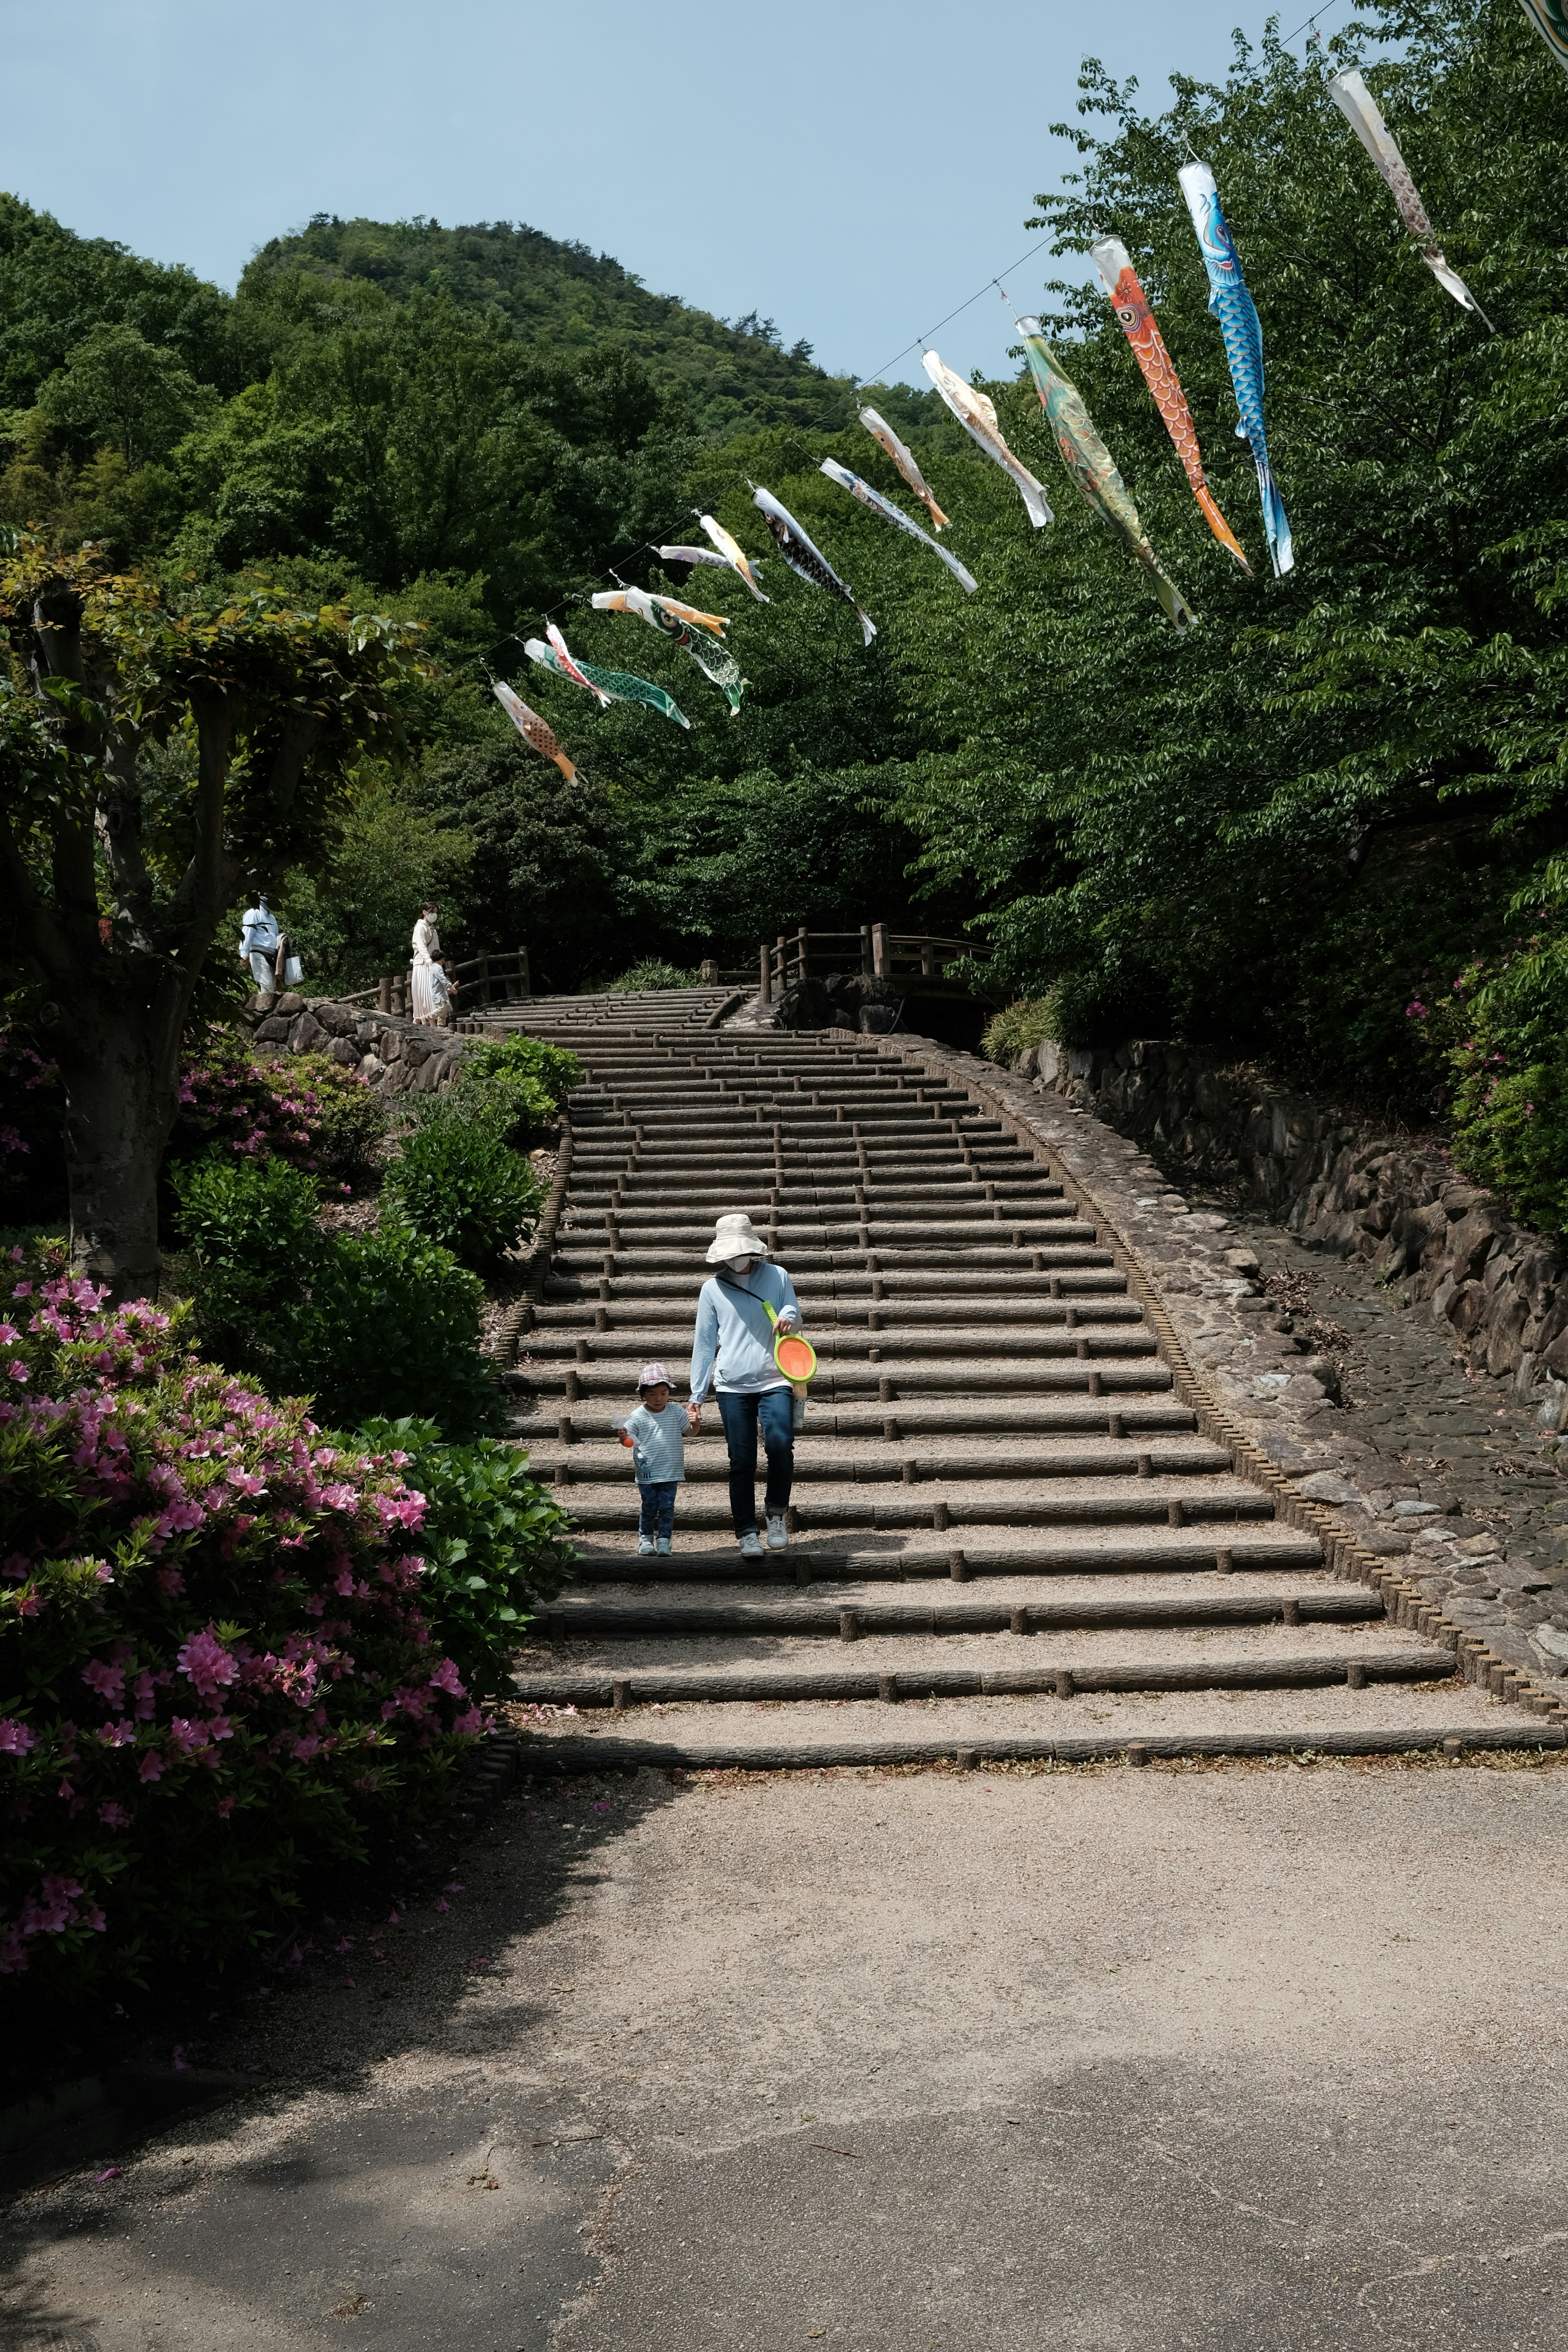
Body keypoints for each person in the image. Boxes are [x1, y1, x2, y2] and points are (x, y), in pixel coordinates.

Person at [688, 1212, 803, 1560]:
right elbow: (705, 1343)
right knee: (741, 1460)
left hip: (775, 1376)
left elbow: (793, 1309)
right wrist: (697, 1395)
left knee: (781, 1444)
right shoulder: (712, 1289)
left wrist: (788, 1317)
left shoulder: (778, 1275)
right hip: (732, 1385)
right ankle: (747, 1533)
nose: (736, 1258)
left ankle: (776, 1514)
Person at [614, 1361, 696, 1556]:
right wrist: (624, 1437)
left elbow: (691, 1433)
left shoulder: (677, 1412)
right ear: (643, 1395)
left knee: (667, 1507)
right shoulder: (636, 1416)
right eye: (652, 1395)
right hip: (647, 1470)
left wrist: (696, 1422)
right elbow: (630, 1444)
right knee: (649, 1506)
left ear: (669, 1392)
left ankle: (665, 1541)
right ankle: (646, 1538)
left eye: (663, 1393)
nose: (658, 1399)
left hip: (671, 1470)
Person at [238, 896, 282, 995]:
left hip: (273, 955)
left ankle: (269, 1009)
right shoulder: (253, 913)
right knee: (266, 989)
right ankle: (263, 1009)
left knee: (272, 989)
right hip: (259, 952)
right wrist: (244, 953)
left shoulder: (272, 918)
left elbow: (275, 936)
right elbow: (247, 933)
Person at [410, 902, 441, 1023]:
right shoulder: (420, 928)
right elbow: (422, 946)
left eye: (436, 913)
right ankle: (434, 1029)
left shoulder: (434, 931)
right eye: (432, 912)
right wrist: (429, 961)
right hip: (423, 964)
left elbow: (438, 950)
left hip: (432, 966)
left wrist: (438, 965)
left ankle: (416, 1028)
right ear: (425, 913)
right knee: (426, 997)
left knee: (431, 997)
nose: (434, 915)